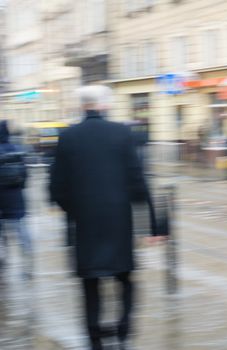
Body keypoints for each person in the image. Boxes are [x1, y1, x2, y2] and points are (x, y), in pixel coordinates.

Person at [49, 85, 165, 350]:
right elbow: (138, 181)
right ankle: (123, 332)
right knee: (124, 279)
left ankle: (95, 338)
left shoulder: (68, 137)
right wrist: (153, 224)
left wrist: (76, 211)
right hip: (118, 222)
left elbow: (56, 188)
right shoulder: (122, 133)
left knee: (90, 284)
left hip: (86, 225)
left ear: (83, 106)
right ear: (105, 105)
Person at [0, 121, 31, 276]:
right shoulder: (17, 150)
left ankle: (3, 257)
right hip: (16, 197)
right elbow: (25, 174)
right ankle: (27, 256)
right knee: (20, 229)